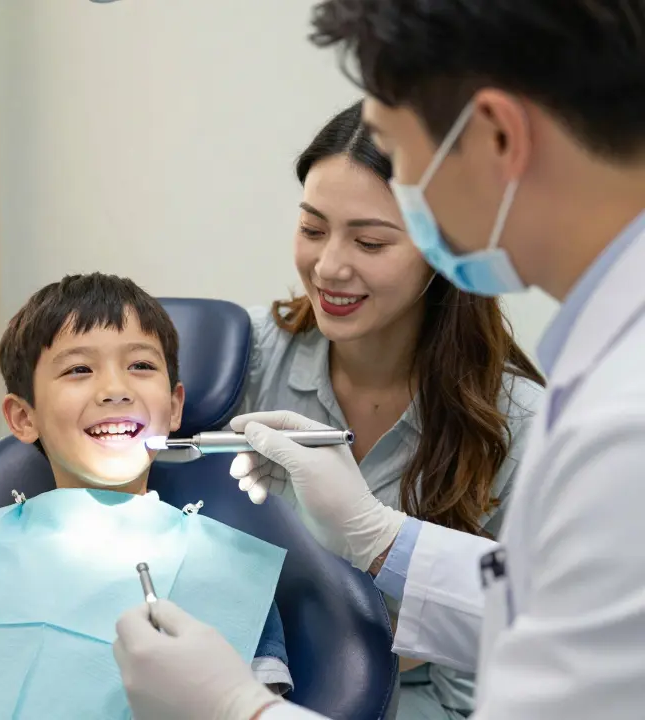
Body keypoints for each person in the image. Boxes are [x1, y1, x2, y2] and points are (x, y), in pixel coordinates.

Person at [112, 1, 645, 719]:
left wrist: (240, 710)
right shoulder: (609, 365)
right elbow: (543, 606)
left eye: (403, 157)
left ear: (496, 136)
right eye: (312, 227)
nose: (332, 266)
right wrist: (379, 538)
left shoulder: (619, 423)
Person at [233, 100, 544, 719]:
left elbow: (533, 639)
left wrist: (374, 540)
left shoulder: (520, 423)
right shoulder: (246, 361)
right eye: (313, 228)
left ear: (444, 249)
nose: (327, 267)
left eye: (370, 241)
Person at [0, 273, 292, 719]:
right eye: (78, 369)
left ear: (174, 405)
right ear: (22, 416)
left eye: (141, 366)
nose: (115, 390)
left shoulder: (231, 576)